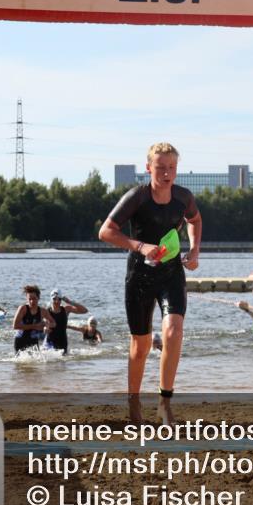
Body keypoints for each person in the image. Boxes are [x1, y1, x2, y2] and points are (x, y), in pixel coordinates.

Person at [98, 142, 202, 424]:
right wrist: (140, 246)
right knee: (140, 346)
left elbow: (195, 219)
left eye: (171, 168)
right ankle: (134, 405)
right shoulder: (137, 197)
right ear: (149, 169)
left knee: (173, 332)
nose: (167, 173)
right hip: (140, 277)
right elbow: (106, 231)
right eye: (160, 168)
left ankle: (164, 403)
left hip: (170, 273)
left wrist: (194, 251)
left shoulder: (183, 197)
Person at [12, 285, 55, 355]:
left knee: (35, 364)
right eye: (29, 299)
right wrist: (35, 326)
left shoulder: (42, 311)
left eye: (34, 298)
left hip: (33, 340)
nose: (32, 301)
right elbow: (15, 326)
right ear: (27, 299)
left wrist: (46, 326)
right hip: (20, 340)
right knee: (20, 364)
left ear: (38, 298)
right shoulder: (23, 308)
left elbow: (53, 323)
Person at [44, 290, 89, 355]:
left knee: (62, 362)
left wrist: (70, 302)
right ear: (51, 299)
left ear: (61, 300)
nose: (57, 301)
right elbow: (44, 325)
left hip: (62, 341)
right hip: (50, 341)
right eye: (54, 299)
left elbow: (84, 311)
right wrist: (45, 329)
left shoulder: (66, 309)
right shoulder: (46, 311)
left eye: (59, 299)